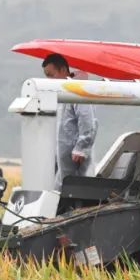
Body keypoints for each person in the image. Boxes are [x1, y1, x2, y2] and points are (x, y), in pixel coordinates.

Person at [42, 54, 98, 188]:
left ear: (62, 70)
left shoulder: (78, 91)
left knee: (76, 189)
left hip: (75, 157)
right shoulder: (62, 93)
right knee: (60, 189)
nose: (49, 79)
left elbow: (88, 122)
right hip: (64, 156)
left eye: (51, 74)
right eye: (46, 76)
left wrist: (81, 148)